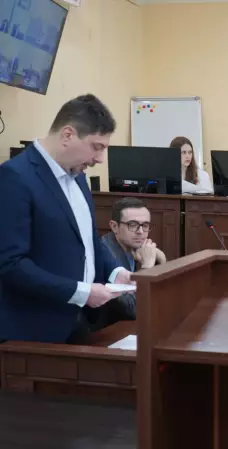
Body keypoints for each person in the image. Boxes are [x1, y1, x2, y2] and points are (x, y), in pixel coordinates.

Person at [0, 94, 133, 343]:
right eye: (97, 147)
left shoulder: (78, 176)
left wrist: (115, 272)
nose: (100, 159)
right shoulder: (14, 177)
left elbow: (88, 241)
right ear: (67, 135)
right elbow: (10, 264)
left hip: (80, 322)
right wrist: (80, 292)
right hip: (33, 330)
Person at [86, 197, 166, 330]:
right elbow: (134, 309)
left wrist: (161, 259)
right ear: (114, 226)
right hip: (104, 333)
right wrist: (147, 266)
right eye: (132, 225)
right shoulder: (105, 254)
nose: (140, 232)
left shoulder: (135, 248)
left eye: (145, 225)